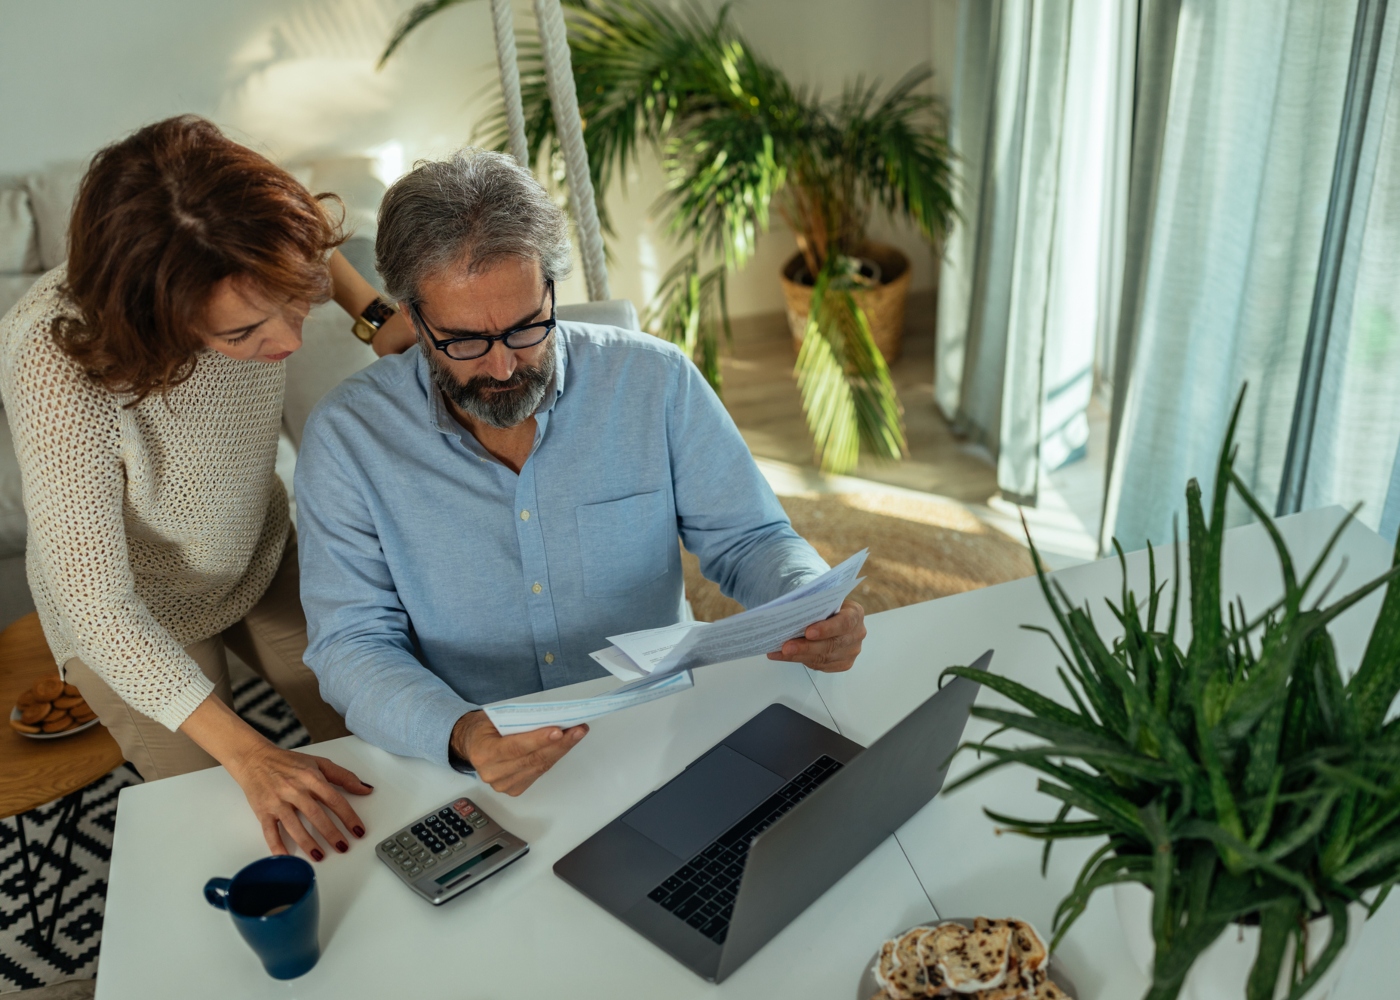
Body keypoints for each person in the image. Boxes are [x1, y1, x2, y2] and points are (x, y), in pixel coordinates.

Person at [295, 149, 867, 798]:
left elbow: (750, 539)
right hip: (478, 757)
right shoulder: (348, 440)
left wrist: (810, 600)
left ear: (551, 288)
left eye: (526, 327)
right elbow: (352, 642)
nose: (506, 367)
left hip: (661, 726)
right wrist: (464, 733)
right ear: (412, 319)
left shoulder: (655, 381)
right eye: (465, 342)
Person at [0, 115, 414, 861]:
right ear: (153, 317)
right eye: (242, 334)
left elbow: (314, 232)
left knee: (378, 738)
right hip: (133, 616)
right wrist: (251, 756)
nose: (287, 343)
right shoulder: (55, 362)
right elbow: (97, 605)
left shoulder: (242, 232)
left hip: (260, 551)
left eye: (291, 304)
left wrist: (374, 314)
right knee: (238, 824)